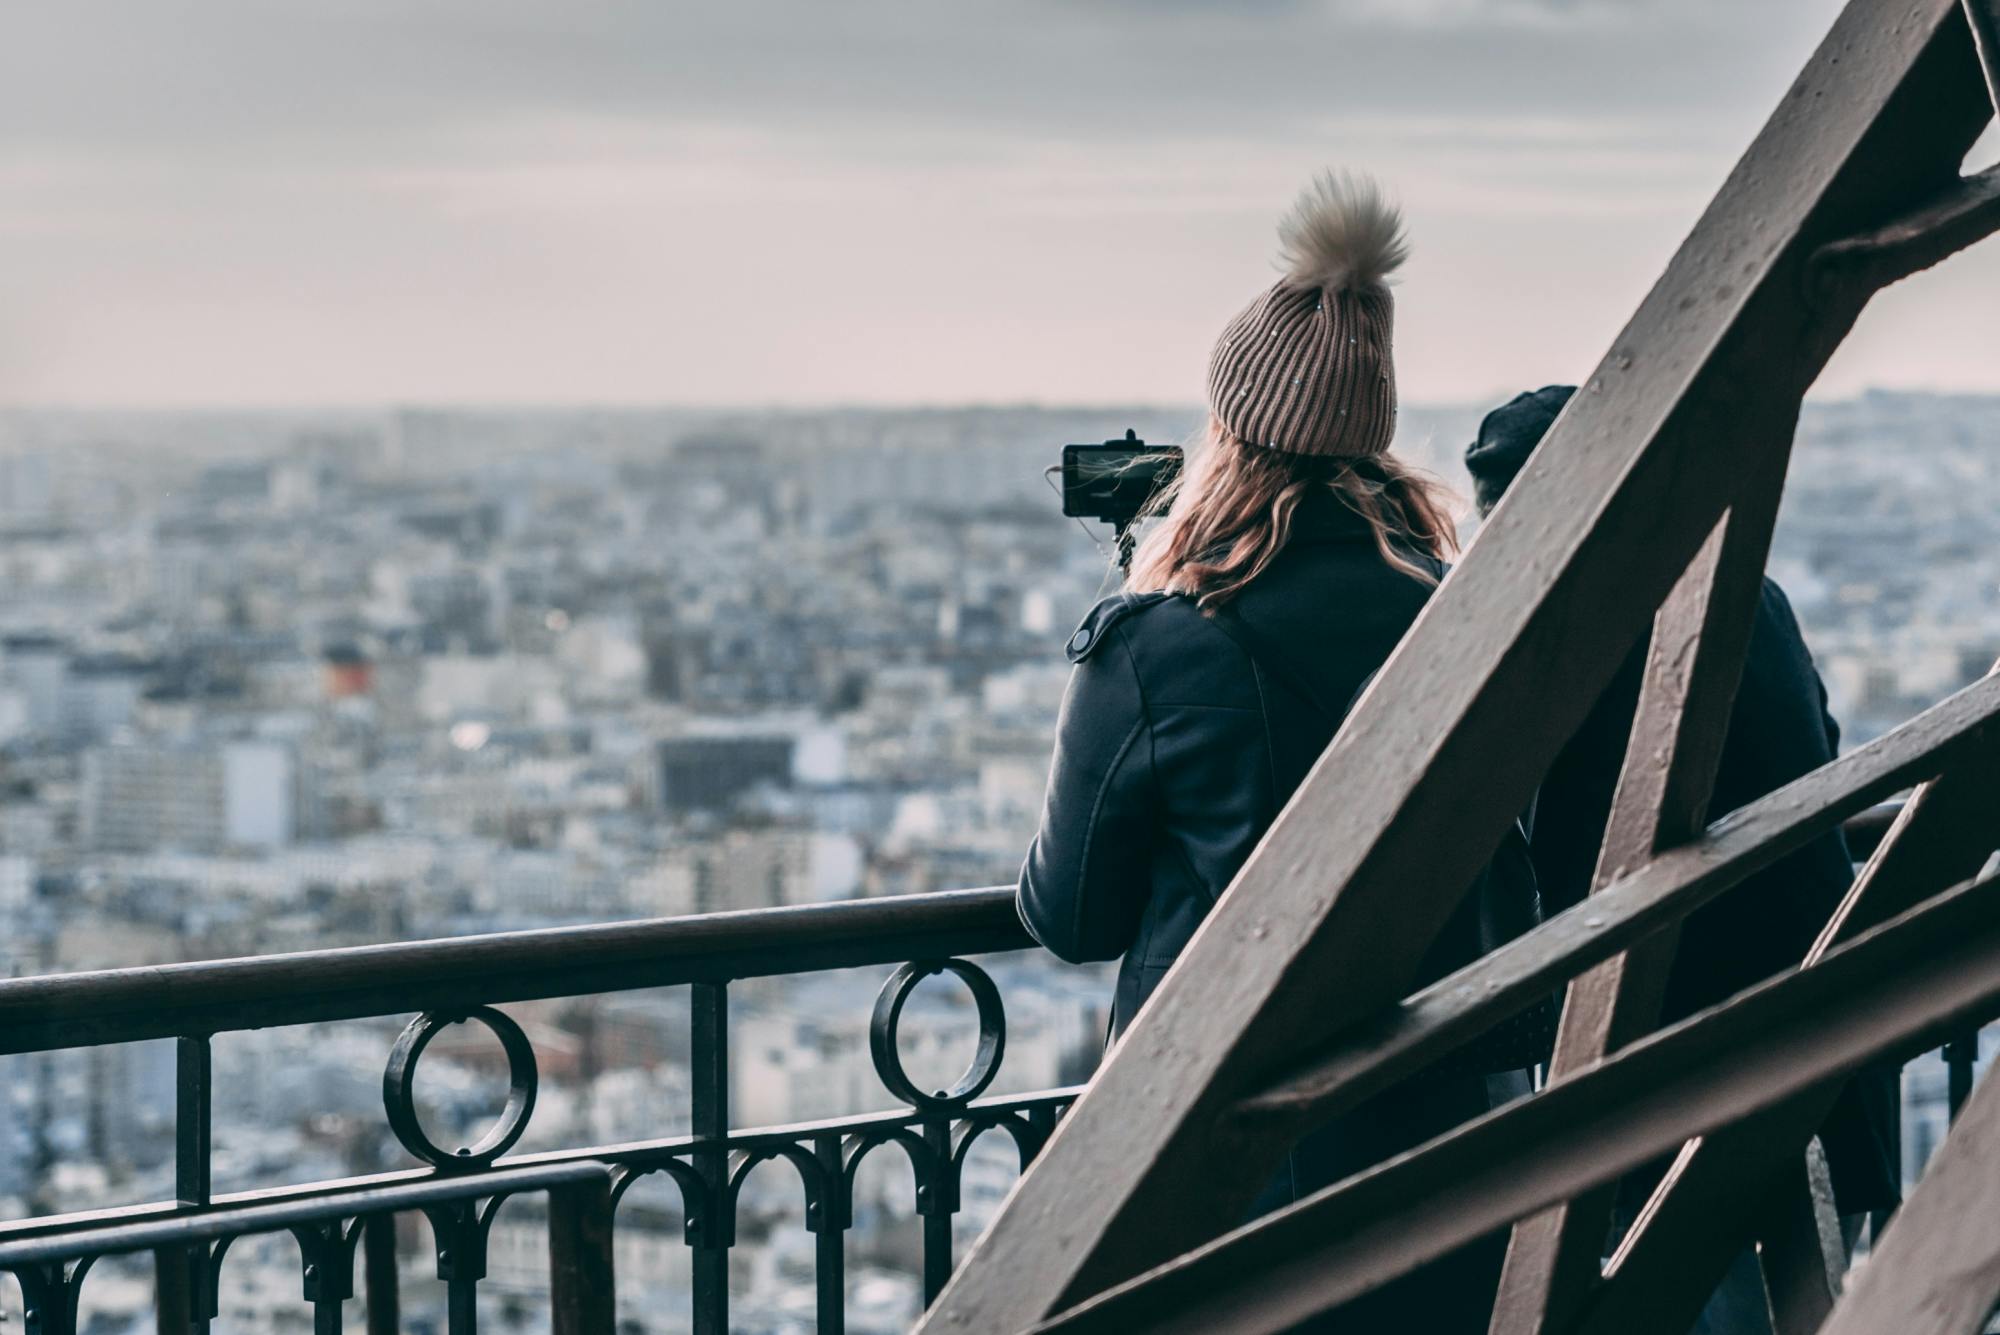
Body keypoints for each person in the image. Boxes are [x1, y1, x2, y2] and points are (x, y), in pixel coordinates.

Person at [1016, 171, 1521, 1334]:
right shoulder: (1457, 610)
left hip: (1225, 1142)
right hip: (1443, 1122)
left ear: (1225, 433)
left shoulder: (1159, 646)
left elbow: (1071, 915)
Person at [1465, 385, 1902, 1334]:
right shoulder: (1749, 591)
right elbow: (1814, 749)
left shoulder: (1567, 637)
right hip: (1820, 1033)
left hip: (1683, 1074)